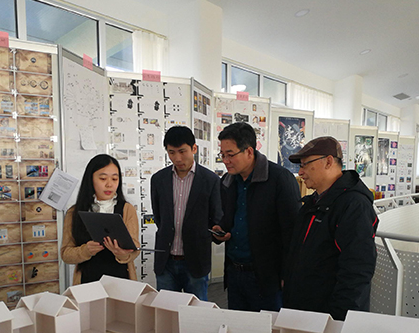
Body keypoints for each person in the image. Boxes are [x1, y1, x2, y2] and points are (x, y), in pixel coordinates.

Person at [282, 136, 378, 320]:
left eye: (305, 165)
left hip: (328, 317)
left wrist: (338, 319)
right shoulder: (313, 202)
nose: (300, 172)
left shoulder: (354, 205)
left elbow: (357, 270)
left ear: (328, 161)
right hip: (303, 310)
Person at [213, 122, 300, 311]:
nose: (225, 160)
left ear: (249, 152)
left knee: (268, 328)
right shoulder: (228, 181)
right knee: (237, 326)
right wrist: (220, 231)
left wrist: (287, 275)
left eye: (230, 154)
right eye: (223, 155)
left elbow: (292, 233)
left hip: (266, 277)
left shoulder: (280, 179)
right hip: (235, 272)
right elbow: (227, 220)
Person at [151, 126, 222, 300]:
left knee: (196, 311)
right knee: (166, 310)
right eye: (171, 152)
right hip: (166, 260)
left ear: (194, 148)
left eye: (182, 151)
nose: (177, 158)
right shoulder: (158, 179)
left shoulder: (211, 180)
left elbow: (215, 217)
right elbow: (159, 217)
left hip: (196, 260)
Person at [61, 154, 140, 284]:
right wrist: (86, 250)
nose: (109, 184)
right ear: (90, 179)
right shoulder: (74, 212)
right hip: (87, 281)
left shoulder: (127, 209)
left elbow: (135, 250)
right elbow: (66, 254)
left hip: (121, 280)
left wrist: (121, 253)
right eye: (103, 178)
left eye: (114, 179)